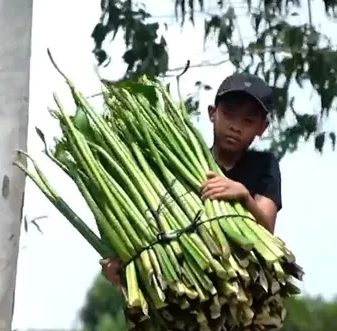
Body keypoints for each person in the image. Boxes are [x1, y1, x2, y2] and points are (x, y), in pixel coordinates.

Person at [100, 72, 282, 290]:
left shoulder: (264, 165)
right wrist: (121, 265)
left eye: (248, 120)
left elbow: (267, 230)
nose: (236, 126)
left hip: (246, 285)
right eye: (229, 114)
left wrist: (244, 196)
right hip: (185, 284)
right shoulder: (182, 168)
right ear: (212, 114)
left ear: (262, 128)